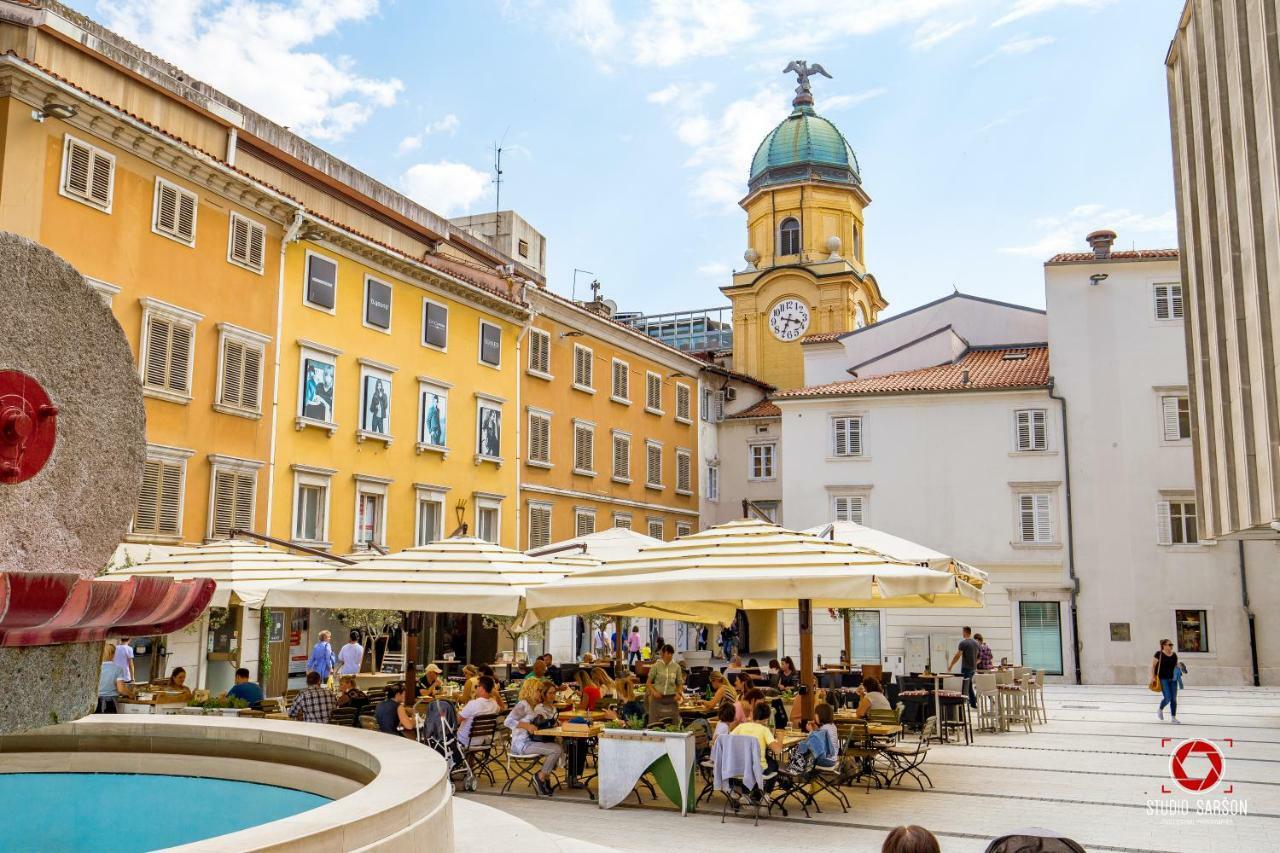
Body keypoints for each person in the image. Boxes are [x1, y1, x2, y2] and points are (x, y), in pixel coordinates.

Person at [504, 678, 562, 796]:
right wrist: (526, 726)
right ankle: (540, 777)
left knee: (559, 746)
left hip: (531, 741)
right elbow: (508, 721)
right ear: (531, 690)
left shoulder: (532, 705)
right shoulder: (523, 704)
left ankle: (545, 776)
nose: (540, 693)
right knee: (556, 749)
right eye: (538, 690)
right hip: (522, 744)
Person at [734, 702, 784, 790]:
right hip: (757, 768)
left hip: (739, 766)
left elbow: (729, 740)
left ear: (753, 714)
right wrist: (780, 738)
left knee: (765, 758)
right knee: (774, 764)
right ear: (766, 718)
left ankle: (747, 794)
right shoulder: (764, 730)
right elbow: (777, 750)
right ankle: (766, 794)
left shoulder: (741, 726)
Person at [646, 644, 684, 725]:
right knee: (655, 724)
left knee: (673, 724)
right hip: (657, 699)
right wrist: (654, 692)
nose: (670, 655)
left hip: (672, 699)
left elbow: (680, 683)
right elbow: (648, 683)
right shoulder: (656, 666)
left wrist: (679, 693)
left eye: (671, 653)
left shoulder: (676, 667)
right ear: (662, 654)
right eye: (668, 653)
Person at [458, 675, 499, 748]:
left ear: (482, 689)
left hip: (464, 741)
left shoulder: (473, 704)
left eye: (476, 686)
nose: (475, 689)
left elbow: (457, 721)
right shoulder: (494, 705)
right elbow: (501, 708)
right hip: (482, 742)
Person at [797, 703, 839, 768]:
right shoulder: (832, 726)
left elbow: (813, 744)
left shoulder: (824, 729)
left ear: (821, 715)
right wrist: (816, 729)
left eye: (816, 714)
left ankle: (804, 776)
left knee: (802, 756)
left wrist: (811, 731)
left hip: (825, 760)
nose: (814, 716)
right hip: (832, 759)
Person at [948, 626, 980, 708]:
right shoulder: (976, 643)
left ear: (965, 632)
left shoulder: (963, 643)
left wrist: (951, 665)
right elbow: (979, 657)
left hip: (966, 668)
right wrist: (974, 663)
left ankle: (971, 702)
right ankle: (972, 702)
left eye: (963, 632)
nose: (962, 633)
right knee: (968, 685)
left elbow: (958, 655)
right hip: (973, 668)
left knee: (966, 686)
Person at [1153, 638, 1181, 723]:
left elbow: (1176, 665)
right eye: (1169, 644)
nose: (1171, 646)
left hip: (1173, 679)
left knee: (1174, 699)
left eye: (1171, 644)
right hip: (1163, 678)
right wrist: (1153, 676)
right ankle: (1160, 709)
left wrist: (1180, 666)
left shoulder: (1174, 655)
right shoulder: (1159, 654)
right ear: (1163, 645)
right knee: (1168, 697)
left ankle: (1173, 717)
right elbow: (1153, 666)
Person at [97, 643, 131, 713]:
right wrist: (130, 694)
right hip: (110, 703)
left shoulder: (95, 668)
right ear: (113, 654)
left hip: (94, 703)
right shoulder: (118, 669)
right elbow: (121, 690)